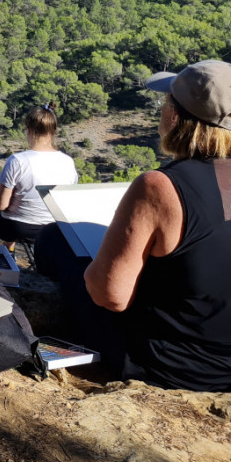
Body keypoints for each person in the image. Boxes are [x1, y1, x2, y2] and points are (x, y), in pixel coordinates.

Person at [37, 60, 231, 390]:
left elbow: (111, 296)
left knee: (54, 240)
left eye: (166, 101)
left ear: (175, 116)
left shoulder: (160, 187)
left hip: (171, 366)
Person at [0, 103, 77, 248]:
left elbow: (0, 206)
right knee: (18, 200)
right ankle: (9, 247)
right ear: (53, 131)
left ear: (28, 130)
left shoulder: (18, 160)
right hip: (54, 229)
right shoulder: (68, 162)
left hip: (19, 228)